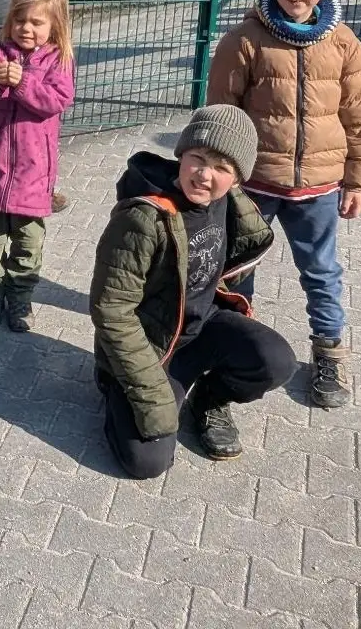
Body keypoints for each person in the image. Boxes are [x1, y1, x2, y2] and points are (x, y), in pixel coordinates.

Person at [205, 0, 361, 409]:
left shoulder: (344, 44)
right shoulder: (244, 40)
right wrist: (219, 178)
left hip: (319, 188)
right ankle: (235, 347)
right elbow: (220, 114)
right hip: (253, 185)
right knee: (236, 269)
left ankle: (329, 352)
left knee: (321, 271)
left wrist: (358, 180)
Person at [91, 106, 297, 478]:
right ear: (181, 155)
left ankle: (208, 398)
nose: (204, 175)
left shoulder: (230, 203)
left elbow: (233, 265)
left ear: (237, 178)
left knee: (276, 359)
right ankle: (115, 390)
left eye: (221, 168)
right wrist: (152, 396)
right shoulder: (142, 219)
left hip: (199, 331)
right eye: (197, 159)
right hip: (151, 346)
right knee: (148, 462)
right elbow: (112, 311)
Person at [0, 0, 76, 332]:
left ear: (55, 26)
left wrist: (24, 82)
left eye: (36, 23)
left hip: (33, 175)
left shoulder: (59, 60)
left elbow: (56, 100)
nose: (26, 29)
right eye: (20, 21)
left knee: (28, 245)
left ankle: (20, 299)